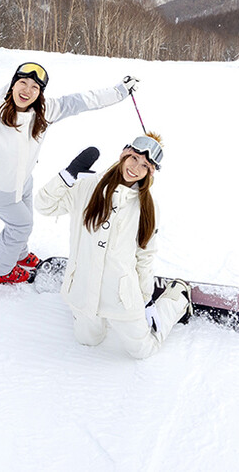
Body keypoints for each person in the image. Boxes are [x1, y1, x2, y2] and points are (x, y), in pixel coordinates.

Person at [0, 61, 139, 284]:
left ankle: (17, 253)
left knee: (23, 223)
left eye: (35, 87)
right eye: (23, 83)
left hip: (23, 181)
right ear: (12, 85)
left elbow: (84, 101)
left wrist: (119, 92)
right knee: (21, 225)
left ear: (40, 93)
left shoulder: (44, 112)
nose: (27, 91)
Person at [36, 133, 191, 358]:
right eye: (134, 158)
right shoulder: (87, 186)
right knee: (88, 340)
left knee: (142, 350)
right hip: (84, 288)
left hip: (121, 296)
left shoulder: (147, 207)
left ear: (150, 172)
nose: (136, 168)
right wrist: (67, 175)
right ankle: (85, 311)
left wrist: (147, 300)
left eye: (144, 165)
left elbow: (145, 256)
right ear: (124, 154)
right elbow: (44, 206)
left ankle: (177, 297)